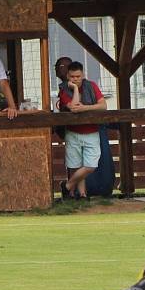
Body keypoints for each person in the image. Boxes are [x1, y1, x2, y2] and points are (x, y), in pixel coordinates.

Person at [57, 61, 107, 199]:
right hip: (73, 132)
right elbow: (73, 107)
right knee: (75, 165)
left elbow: (103, 105)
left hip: (91, 131)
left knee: (90, 166)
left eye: (78, 76)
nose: (76, 79)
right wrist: (76, 90)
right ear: (68, 76)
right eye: (72, 76)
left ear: (83, 74)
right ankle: (80, 194)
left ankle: (67, 186)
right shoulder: (63, 90)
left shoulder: (92, 86)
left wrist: (85, 108)